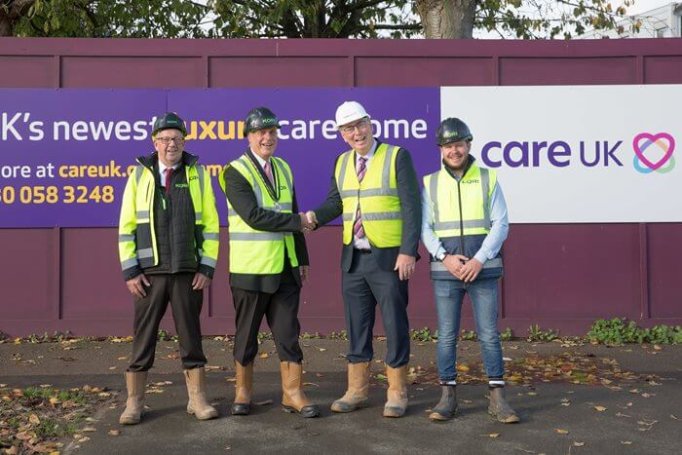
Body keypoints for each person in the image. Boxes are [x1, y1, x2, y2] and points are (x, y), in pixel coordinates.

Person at [307, 101, 421, 418]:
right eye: (348, 128)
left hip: (389, 258)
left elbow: (412, 207)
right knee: (357, 326)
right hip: (354, 259)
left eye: (360, 125)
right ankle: (357, 390)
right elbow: (336, 202)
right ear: (341, 134)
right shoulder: (342, 162)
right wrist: (313, 218)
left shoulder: (397, 156)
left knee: (395, 324)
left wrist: (408, 250)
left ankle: (397, 391)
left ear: (370, 123)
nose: (356, 133)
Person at [118, 112, 220, 424]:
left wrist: (207, 266)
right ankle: (134, 403)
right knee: (143, 337)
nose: (170, 144)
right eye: (164, 138)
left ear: (184, 141)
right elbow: (126, 226)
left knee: (191, 336)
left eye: (176, 138)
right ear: (154, 142)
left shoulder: (198, 175)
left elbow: (211, 225)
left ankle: (197, 399)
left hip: (188, 271)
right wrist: (131, 270)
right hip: (149, 274)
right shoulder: (138, 176)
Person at [219, 107, 320, 418]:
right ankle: (243, 393)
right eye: (261, 132)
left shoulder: (284, 168)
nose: (267, 137)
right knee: (246, 335)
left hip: (286, 268)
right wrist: (298, 220)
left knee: (289, 333)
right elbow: (253, 216)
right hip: (251, 269)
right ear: (249, 136)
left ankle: (293, 393)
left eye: (272, 132)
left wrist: (301, 256)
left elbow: (293, 211)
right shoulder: (234, 171)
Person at [421, 117, 519, 423]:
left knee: (489, 335)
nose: (454, 150)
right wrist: (445, 257)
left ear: (468, 145)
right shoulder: (429, 183)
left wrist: (478, 259)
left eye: (459, 144)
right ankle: (447, 397)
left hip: (483, 271)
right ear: (440, 149)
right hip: (445, 272)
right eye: (448, 145)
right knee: (447, 336)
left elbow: (501, 223)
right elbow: (424, 228)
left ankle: (497, 398)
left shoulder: (488, 178)